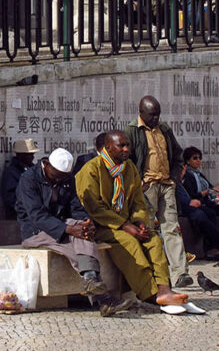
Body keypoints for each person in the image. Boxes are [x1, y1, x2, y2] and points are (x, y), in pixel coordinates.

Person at [75, 131, 189, 307]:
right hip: (102, 226)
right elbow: (94, 207)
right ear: (108, 148)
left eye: (128, 145)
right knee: (129, 243)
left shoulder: (129, 168)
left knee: (153, 240)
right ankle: (150, 293)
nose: (127, 149)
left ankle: (164, 287)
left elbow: (138, 201)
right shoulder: (91, 169)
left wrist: (139, 222)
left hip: (127, 222)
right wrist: (124, 226)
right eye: (121, 146)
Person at [16, 148, 133, 316]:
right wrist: (68, 229)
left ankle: (94, 285)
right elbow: (36, 215)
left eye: (63, 177)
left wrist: (86, 224)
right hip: (35, 231)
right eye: (56, 176)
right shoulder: (28, 179)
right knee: (79, 245)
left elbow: (75, 207)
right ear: (47, 165)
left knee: (82, 233)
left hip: (63, 226)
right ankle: (100, 293)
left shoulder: (67, 178)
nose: (59, 180)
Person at [123, 95, 191, 288]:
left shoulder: (165, 129)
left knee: (172, 227)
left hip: (167, 184)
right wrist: (140, 182)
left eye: (158, 114)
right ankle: (151, 273)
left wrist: (176, 177)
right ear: (141, 113)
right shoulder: (131, 131)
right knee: (147, 229)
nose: (155, 118)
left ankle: (180, 273)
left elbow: (177, 155)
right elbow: (127, 159)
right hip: (147, 186)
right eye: (152, 115)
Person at [180, 146, 219, 258]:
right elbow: (191, 196)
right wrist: (206, 192)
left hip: (205, 202)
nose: (198, 161)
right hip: (194, 204)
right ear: (187, 161)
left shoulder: (198, 174)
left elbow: (210, 188)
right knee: (202, 215)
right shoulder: (187, 176)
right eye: (195, 158)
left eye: (199, 158)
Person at [0, 138, 39, 219]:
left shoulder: (33, 169)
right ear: (20, 155)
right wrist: (25, 209)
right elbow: (10, 198)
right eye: (29, 154)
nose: (32, 157)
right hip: (20, 216)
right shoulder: (11, 172)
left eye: (32, 154)